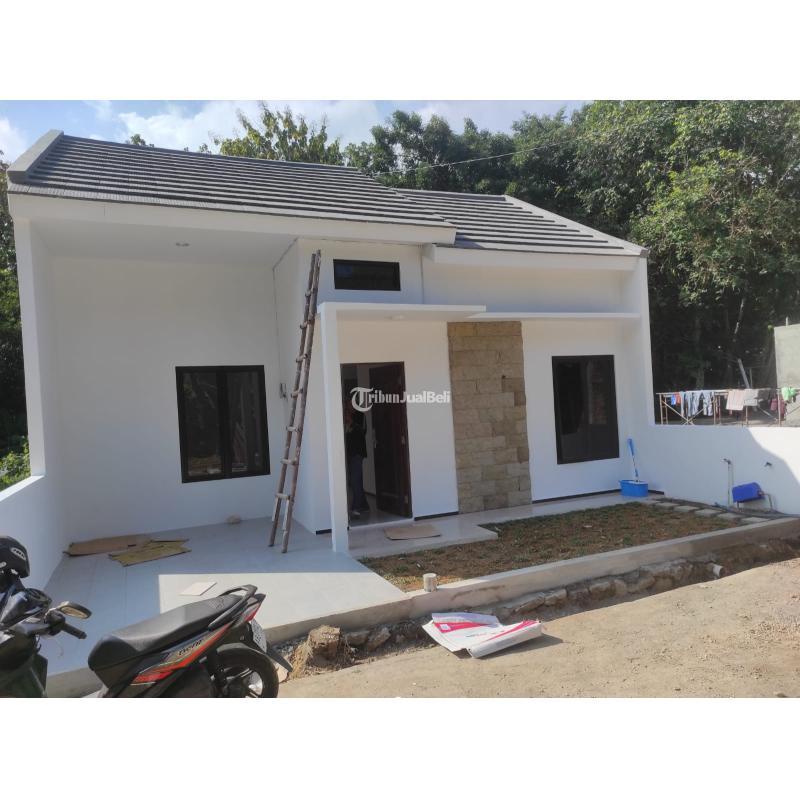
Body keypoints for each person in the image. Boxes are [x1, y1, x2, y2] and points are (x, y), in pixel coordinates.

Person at [344, 405, 369, 518]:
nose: (346, 405)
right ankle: (364, 505)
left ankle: (356, 507)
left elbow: (363, 431)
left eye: (348, 402)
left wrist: (351, 422)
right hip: (349, 454)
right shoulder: (345, 416)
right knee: (356, 480)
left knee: (355, 480)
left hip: (358, 453)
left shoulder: (360, 415)